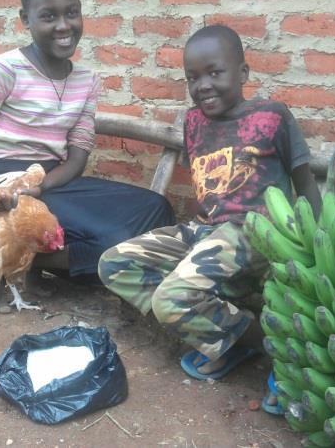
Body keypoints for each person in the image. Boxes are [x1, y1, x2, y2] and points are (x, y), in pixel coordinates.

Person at [98, 25, 321, 415]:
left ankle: (281, 352)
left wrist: (317, 249)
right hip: (208, 232)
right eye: (192, 77)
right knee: (114, 264)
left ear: (244, 73)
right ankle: (234, 339)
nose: (202, 85)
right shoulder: (193, 123)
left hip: (258, 232)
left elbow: (306, 185)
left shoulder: (271, 117)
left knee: (171, 299)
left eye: (214, 72)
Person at [0, 0, 174, 313]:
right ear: (25, 19)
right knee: (115, 238)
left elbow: (77, 158)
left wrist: (41, 187)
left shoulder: (86, 80)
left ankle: (43, 263)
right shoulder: (5, 70)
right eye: (48, 16)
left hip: (51, 180)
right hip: (2, 185)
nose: (63, 25)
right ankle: (15, 262)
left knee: (155, 209)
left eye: (71, 13)